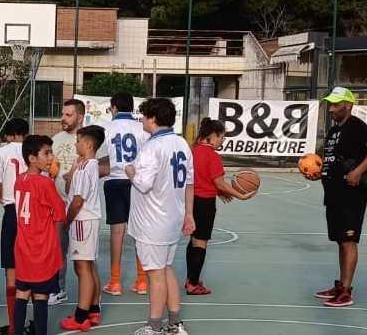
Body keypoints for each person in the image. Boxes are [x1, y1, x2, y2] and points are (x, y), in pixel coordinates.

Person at [307, 87, 367, 307]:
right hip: (333, 193)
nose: (331, 109)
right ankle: (341, 284)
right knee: (341, 240)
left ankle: (347, 290)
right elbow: (331, 160)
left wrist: (359, 171)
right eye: (330, 104)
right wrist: (318, 173)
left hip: (351, 194)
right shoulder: (334, 131)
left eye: (335, 104)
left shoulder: (355, 126)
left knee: (349, 240)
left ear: (348, 105)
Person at [126, 98, 195, 335]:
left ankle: (154, 326)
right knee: (166, 269)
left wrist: (130, 171)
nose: (142, 119)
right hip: (172, 218)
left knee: (155, 274)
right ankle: (175, 324)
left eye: (144, 116)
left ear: (153, 119)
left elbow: (143, 184)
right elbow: (189, 183)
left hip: (152, 220)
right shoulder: (182, 143)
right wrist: (189, 214)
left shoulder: (151, 147)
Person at [186, 118, 254, 295]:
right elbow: (220, 183)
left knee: (193, 240)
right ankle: (193, 284)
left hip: (190, 201)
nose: (222, 141)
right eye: (222, 137)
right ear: (213, 136)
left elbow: (200, 179)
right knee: (201, 242)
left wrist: (218, 191)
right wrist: (241, 195)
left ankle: (190, 278)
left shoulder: (192, 151)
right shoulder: (212, 156)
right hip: (204, 203)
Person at [13, 135, 67, 335]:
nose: (51, 157)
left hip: (23, 247)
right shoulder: (44, 183)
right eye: (46, 153)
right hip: (41, 248)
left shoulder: (20, 179)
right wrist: (52, 179)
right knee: (41, 295)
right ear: (32, 158)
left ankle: (17, 331)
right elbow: (60, 212)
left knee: (22, 292)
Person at [102, 92, 149, 296]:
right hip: (136, 181)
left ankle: (115, 281)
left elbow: (101, 157)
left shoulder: (107, 128)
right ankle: (142, 280)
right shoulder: (142, 128)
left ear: (113, 108)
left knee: (117, 232)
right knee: (138, 231)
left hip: (114, 180)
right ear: (133, 108)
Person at [60, 125, 106, 331]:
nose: (75, 144)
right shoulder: (87, 165)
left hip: (82, 221)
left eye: (78, 141)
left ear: (88, 144)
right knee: (89, 265)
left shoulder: (87, 167)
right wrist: (72, 170)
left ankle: (81, 316)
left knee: (82, 267)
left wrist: (67, 221)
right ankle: (93, 309)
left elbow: (77, 201)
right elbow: (71, 188)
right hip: (89, 220)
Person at [0, 118, 30, 335]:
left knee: (11, 271)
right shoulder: (34, 150)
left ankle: (14, 325)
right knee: (31, 269)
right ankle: (31, 321)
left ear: (9, 135)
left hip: (12, 213)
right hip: (32, 215)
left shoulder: (1, 153)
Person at [48, 99, 85, 305]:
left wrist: (78, 174)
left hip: (82, 206)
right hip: (59, 203)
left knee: (83, 257)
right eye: (62, 114)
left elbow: (105, 168)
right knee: (58, 248)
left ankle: (89, 296)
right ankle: (59, 288)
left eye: (68, 115)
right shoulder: (56, 139)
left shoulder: (90, 139)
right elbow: (50, 166)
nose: (63, 118)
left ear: (79, 117)